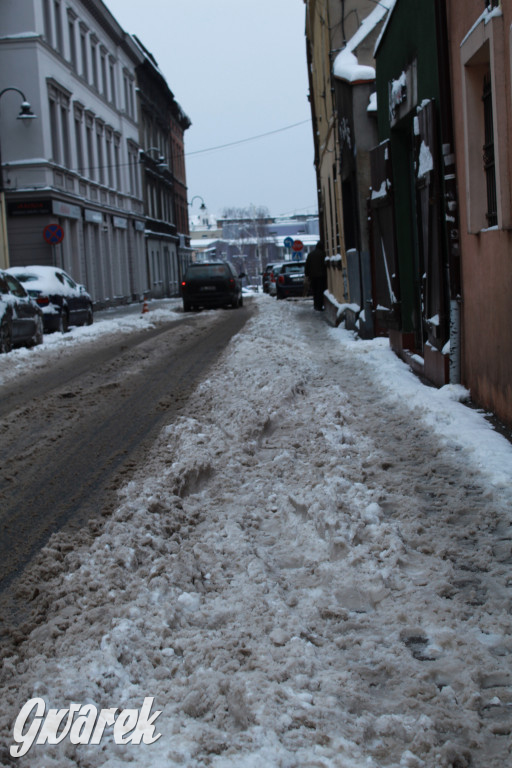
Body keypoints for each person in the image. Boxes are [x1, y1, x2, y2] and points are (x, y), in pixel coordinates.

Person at [305, 241, 327, 311]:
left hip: (313, 276)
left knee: (315, 291)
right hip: (321, 276)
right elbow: (324, 265)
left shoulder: (310, 254)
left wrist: (307, 274)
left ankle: (315, 305)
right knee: (320, 291)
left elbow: (307, 265)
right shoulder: (323, 254)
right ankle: (319, 306)